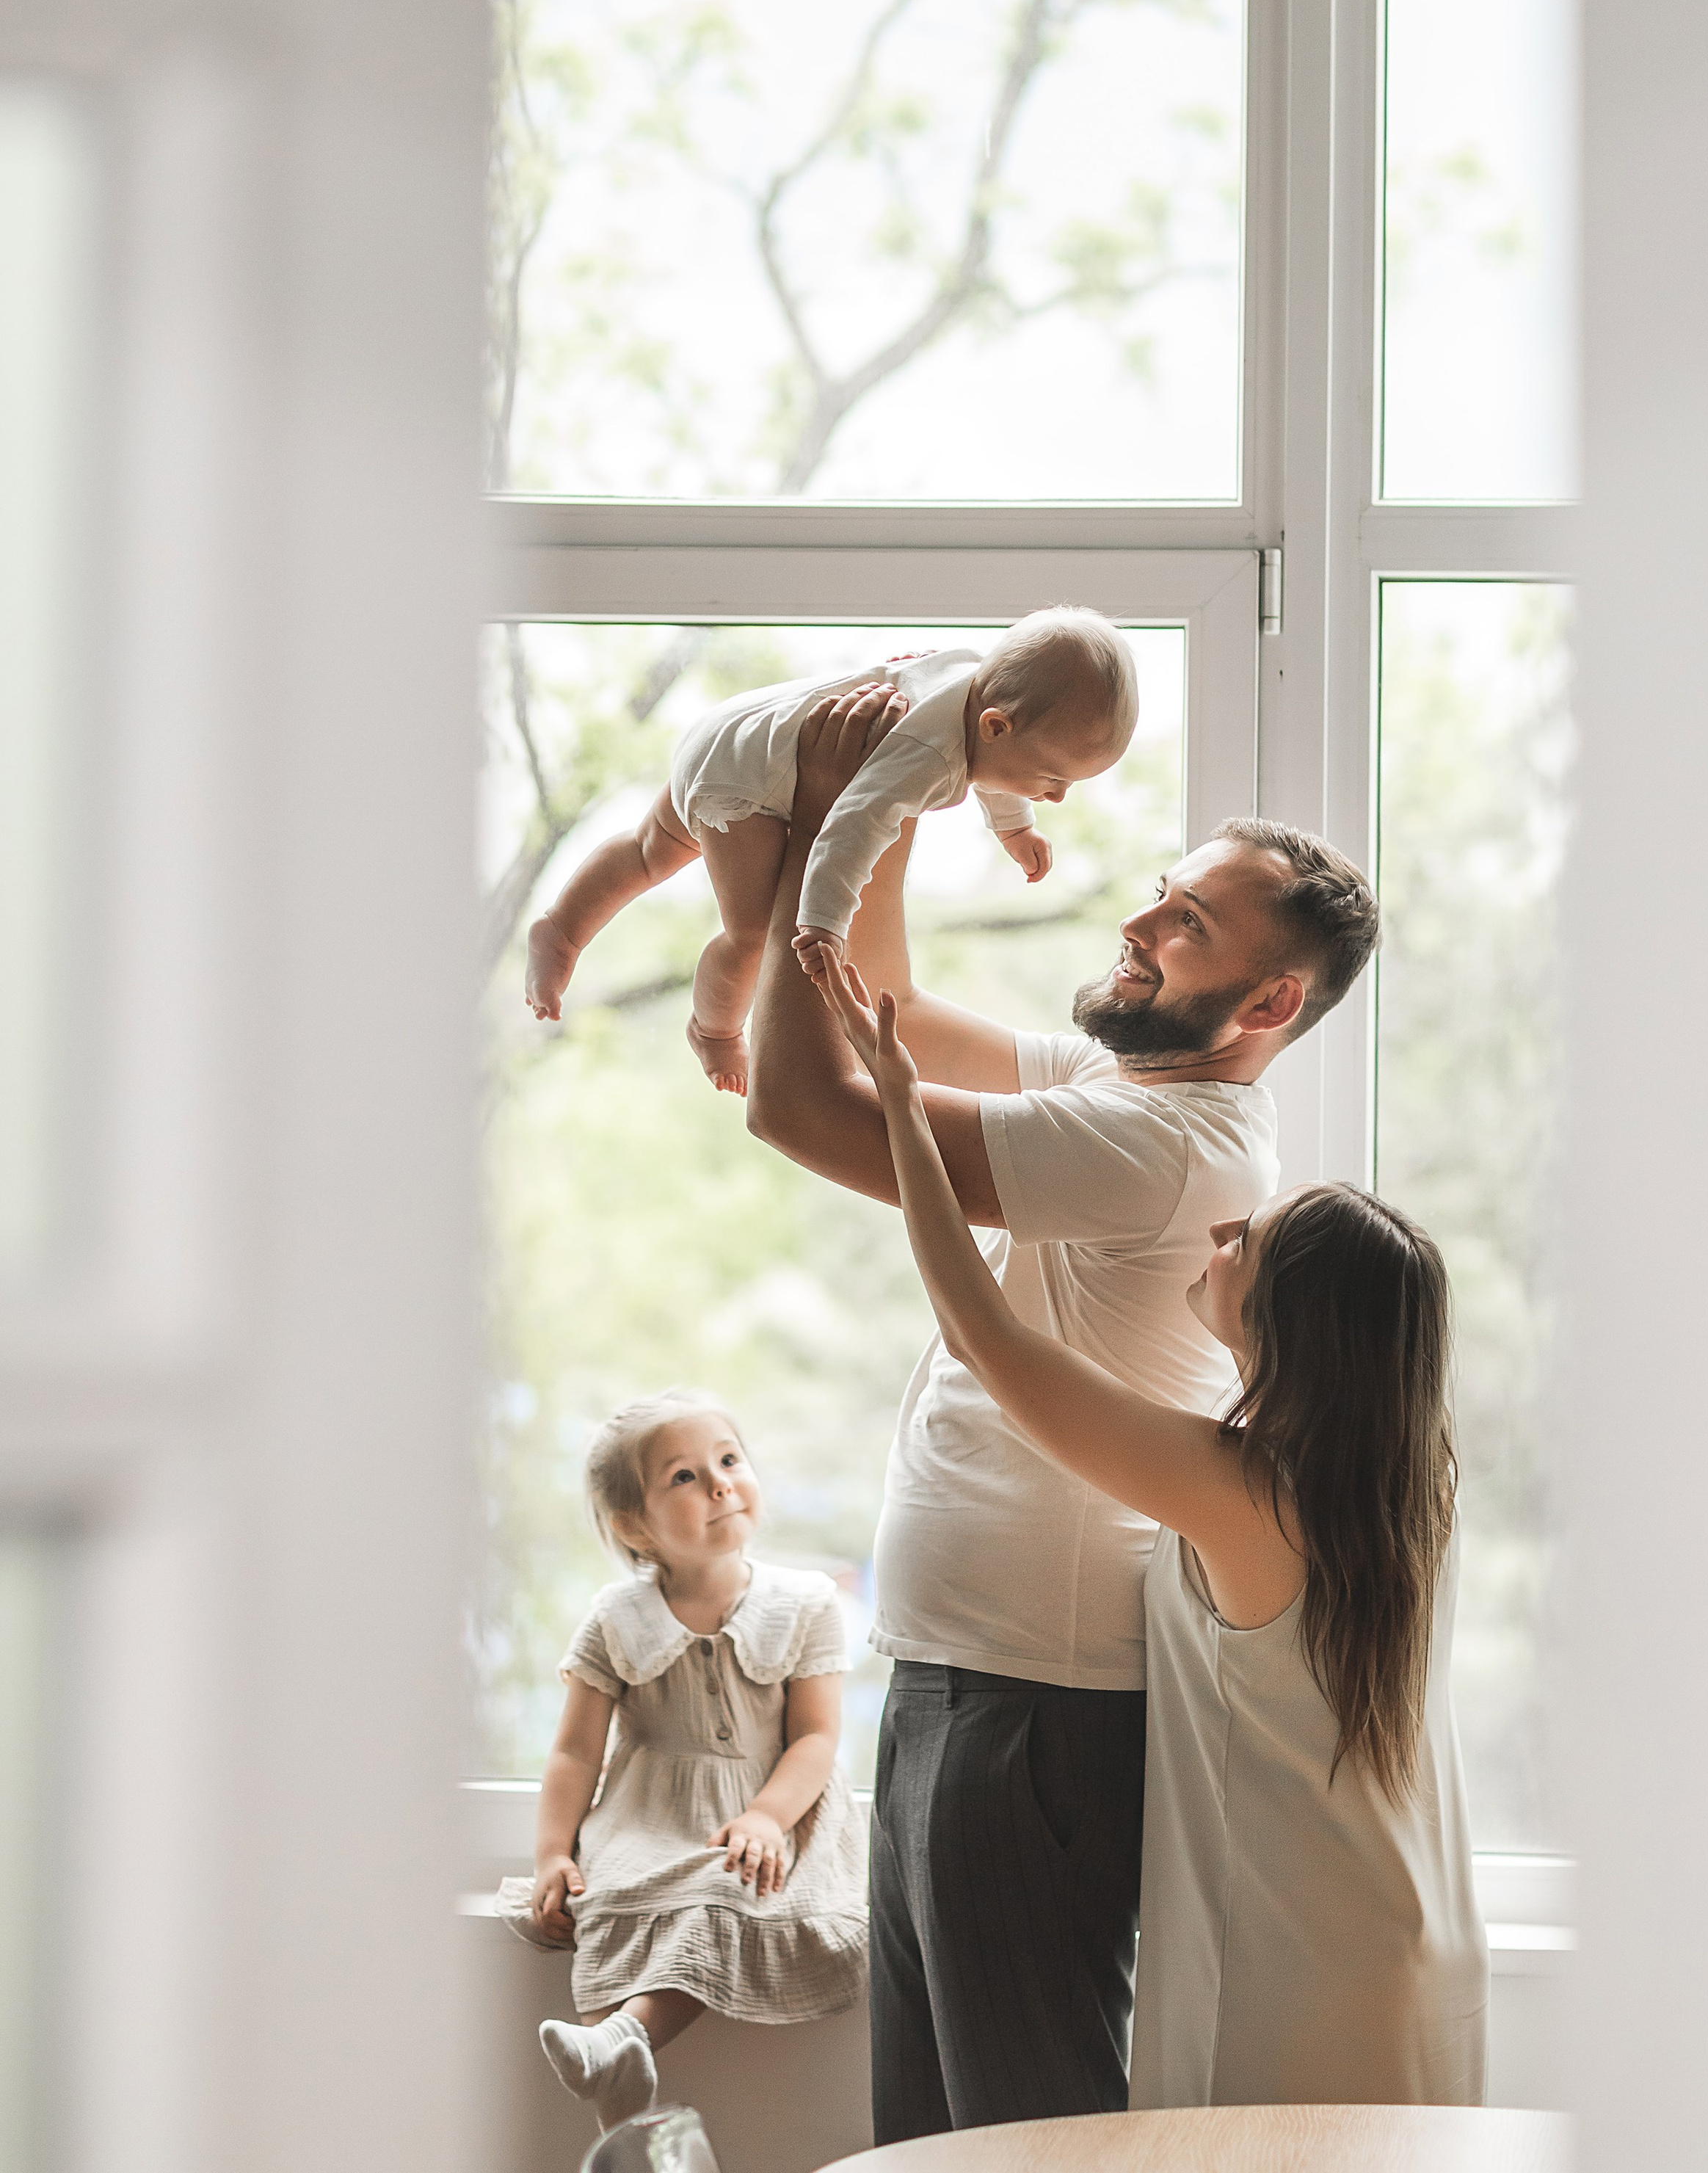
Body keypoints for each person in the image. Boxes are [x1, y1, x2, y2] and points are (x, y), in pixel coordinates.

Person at [744, 688, 1381, 2141]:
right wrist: (898, 780)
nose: (1138, 924)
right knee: (932, 2146)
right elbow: (882, 1005)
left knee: (1027, 2143)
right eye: (1161, 893)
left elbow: (800, 1107)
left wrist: (825, 820)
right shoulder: (1129, 1078)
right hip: (959, 1685)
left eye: (1186, 926)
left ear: (1268, 1005)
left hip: (1033, 1711)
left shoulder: (1159, 1144)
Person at [810, 953, 1490, 2108]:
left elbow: (989, 1338)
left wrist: (905, 1112)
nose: (1216, 1231)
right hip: (1399, 1928)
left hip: (1310, 1954)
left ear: (1294, 1322)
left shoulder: (1248, 1492)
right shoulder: (1400, 1488)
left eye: (1245, 1240)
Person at [523, 608, 1138, 1093]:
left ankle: (561, 929)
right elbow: (850, 830)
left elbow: (998, 765)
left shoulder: (975, 682)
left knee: (647, 851)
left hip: (736, 735)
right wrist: (821, 923)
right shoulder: (926, 754)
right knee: (755, 934)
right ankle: (714, 1030)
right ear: (996, 726)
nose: (1058, 795)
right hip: (747, 791)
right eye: (1053, 778)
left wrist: (1014, 828)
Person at [495, 1392, 867, 2132]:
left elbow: (816, 1738)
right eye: (684, 1477)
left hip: (764, 1813)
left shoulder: (805, 1603)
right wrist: (551, 1853)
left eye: (728, 1459)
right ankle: (619, 2082)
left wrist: (766, 1817)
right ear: (635, 1526)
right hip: (650, 1810)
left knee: (723, 1890)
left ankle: (619, 2045)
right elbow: (574, 1751)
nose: (721, 1483)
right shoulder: (614, 1618)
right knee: (607, 1901)